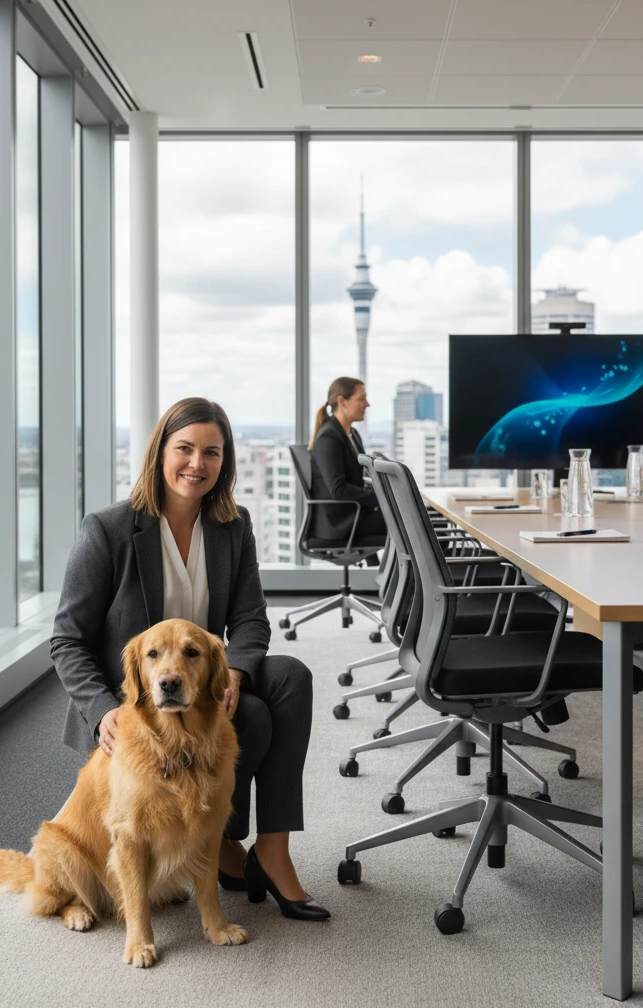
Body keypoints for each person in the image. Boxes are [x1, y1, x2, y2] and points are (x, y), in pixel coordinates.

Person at [50, 397, 328, 921]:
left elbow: (250, 619)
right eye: (185, 449)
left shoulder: (232, 525)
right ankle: (222, 842)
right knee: (252, 717)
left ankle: (273, 847)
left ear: (225, 464)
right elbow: (67, 638)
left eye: (212, 453)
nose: (197, 464)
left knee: (291, 677)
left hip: (202, 677)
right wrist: (99, 709)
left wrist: (237, 673)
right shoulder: (108, 530)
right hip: (140, 702)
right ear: (160, 453)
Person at [308, 377, 387, 550]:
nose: (367, 404)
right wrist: (379, 500)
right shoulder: (328, 437)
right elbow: (338, 489)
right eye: (361, 399)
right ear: (342, 401)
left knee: (411, 520)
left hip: (355, 513)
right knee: (409, 524)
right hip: (340, 522)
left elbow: (360, 479)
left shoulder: (352, 434)